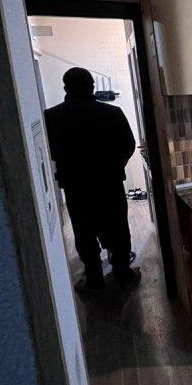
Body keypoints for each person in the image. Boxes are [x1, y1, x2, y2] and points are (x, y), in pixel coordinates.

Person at [45, 66, 140, 292]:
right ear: (92, 86)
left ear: (66, 87)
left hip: (75, 185)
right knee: (117, 228)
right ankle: (123, 274)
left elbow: (51, 151)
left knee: (84, 232)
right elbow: (129, 144)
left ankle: (94, 279)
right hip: (109, 182)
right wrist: (116, 165)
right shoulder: (112, 113)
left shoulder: (52, 116)